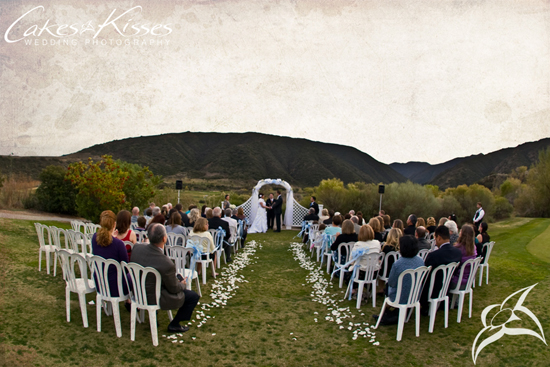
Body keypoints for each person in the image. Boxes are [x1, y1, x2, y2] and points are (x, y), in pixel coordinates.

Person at [131, 224, 200, 333]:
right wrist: (182, 283)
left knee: (154, 282)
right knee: (193, 296)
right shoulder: (166, 263)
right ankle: (175, 324)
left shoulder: (137, 248)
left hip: (138, 291)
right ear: (164, 238)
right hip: (154, 296)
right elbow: (174, 288)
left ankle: (154, 318)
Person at [91, 210, 131, 310]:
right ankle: (131, 302)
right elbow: (125, 267)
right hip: (116, 287)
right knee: (132, 276)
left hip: (100, 284)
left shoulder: (94, 238)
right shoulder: (118, 244)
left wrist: (113, 238)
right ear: (114, 224)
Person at [420, 225, 462, 313]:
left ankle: (424, 305)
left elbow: (425, 274)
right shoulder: (457, 253)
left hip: (432, 290)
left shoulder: (433, 255)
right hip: (447, 288)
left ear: (438, 238)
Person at [450, 224, 477, 289]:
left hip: (457, 282)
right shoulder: (473, 248)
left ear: (462, 234)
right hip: (469, 281)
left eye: (461, 231)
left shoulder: (458, 248)